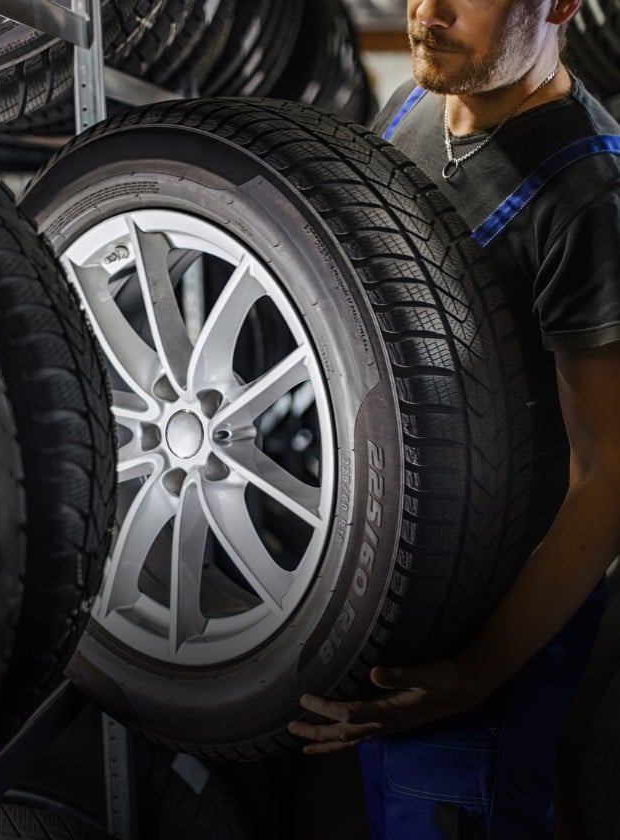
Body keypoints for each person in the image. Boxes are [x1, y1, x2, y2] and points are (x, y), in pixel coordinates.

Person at [287, 0, 620, 836]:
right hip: (393, 596)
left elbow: (610, 479)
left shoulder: (589, 200)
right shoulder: (416, 100)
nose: (428, 13)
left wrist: (474, 674)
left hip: (489, 641)